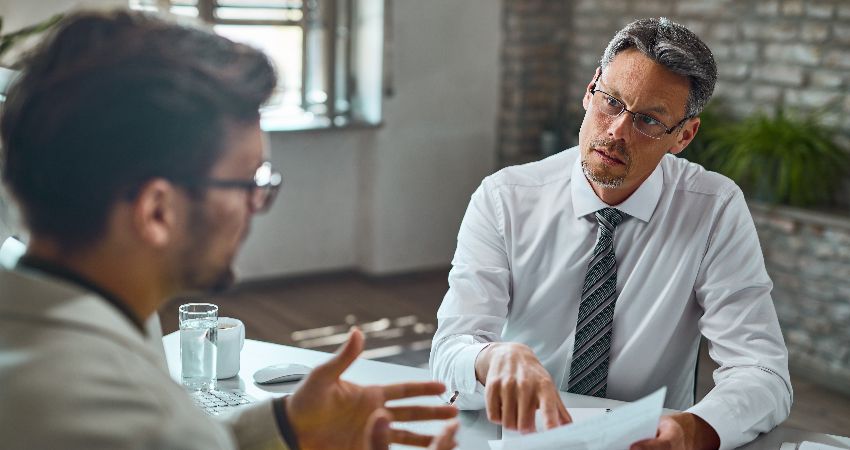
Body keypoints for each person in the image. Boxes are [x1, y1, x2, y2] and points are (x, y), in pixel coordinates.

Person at [0, 10, 458, 450]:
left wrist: (283, 426)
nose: (255, 208)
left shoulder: (57, 321)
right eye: (246, 183)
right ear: (157, 212)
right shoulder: (138, 420)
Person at [430, 17, 792, 450]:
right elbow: (450, 350)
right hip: (521, 436)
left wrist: (698, 430)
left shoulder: (713, 209)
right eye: (612, 102)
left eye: (649, 120)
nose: (617, 131)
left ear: (684, 136)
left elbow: (762, 371)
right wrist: (491, 358)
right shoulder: (504, 198)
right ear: (590, 90)